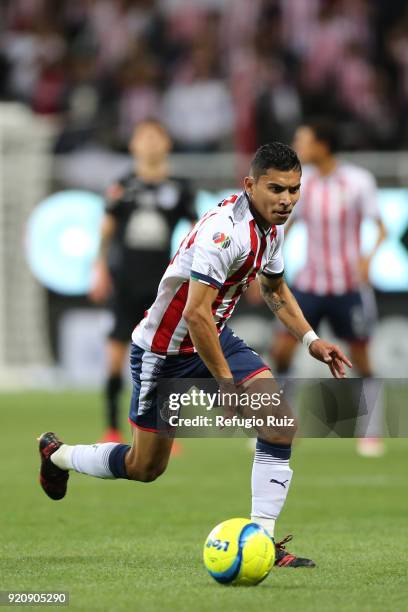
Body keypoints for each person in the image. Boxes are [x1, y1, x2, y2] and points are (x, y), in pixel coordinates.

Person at [38, 142, 352, 567]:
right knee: (144, 467)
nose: (286, 200)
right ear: (249, 185)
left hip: (214, 338)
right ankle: (57, 455)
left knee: (278, 424)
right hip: (164, 351)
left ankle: (262, 540)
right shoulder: (224, 232)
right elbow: (196, 313)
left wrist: (310, 339)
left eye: (294, 190)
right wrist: (226, 388)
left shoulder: (269, 228)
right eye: (276, 189)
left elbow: (274, 290)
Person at [271, 119, 386, 456]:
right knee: (282, 351)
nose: (298, 146)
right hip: (308, 284)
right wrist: (270, 267)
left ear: (322, 144)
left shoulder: (358, 181)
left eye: (303, 140)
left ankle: (371, 430)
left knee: (362, 358)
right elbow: (285, 229)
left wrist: (368, 259)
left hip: (348, 286)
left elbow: (380, 228)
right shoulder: (299, 185)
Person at [89, 119, 196, 443]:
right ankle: (111, 427)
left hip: (163, 286)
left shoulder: (180, 187)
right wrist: (99, 269)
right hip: (124, 282)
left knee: (166, 359)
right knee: (116, 355)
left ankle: (164, 432)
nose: (149, 143)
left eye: (156, 137)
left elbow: (196, 233)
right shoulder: (122, 185)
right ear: (134, 145)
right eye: (143, 137)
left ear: (167, 144)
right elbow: (106, 230)